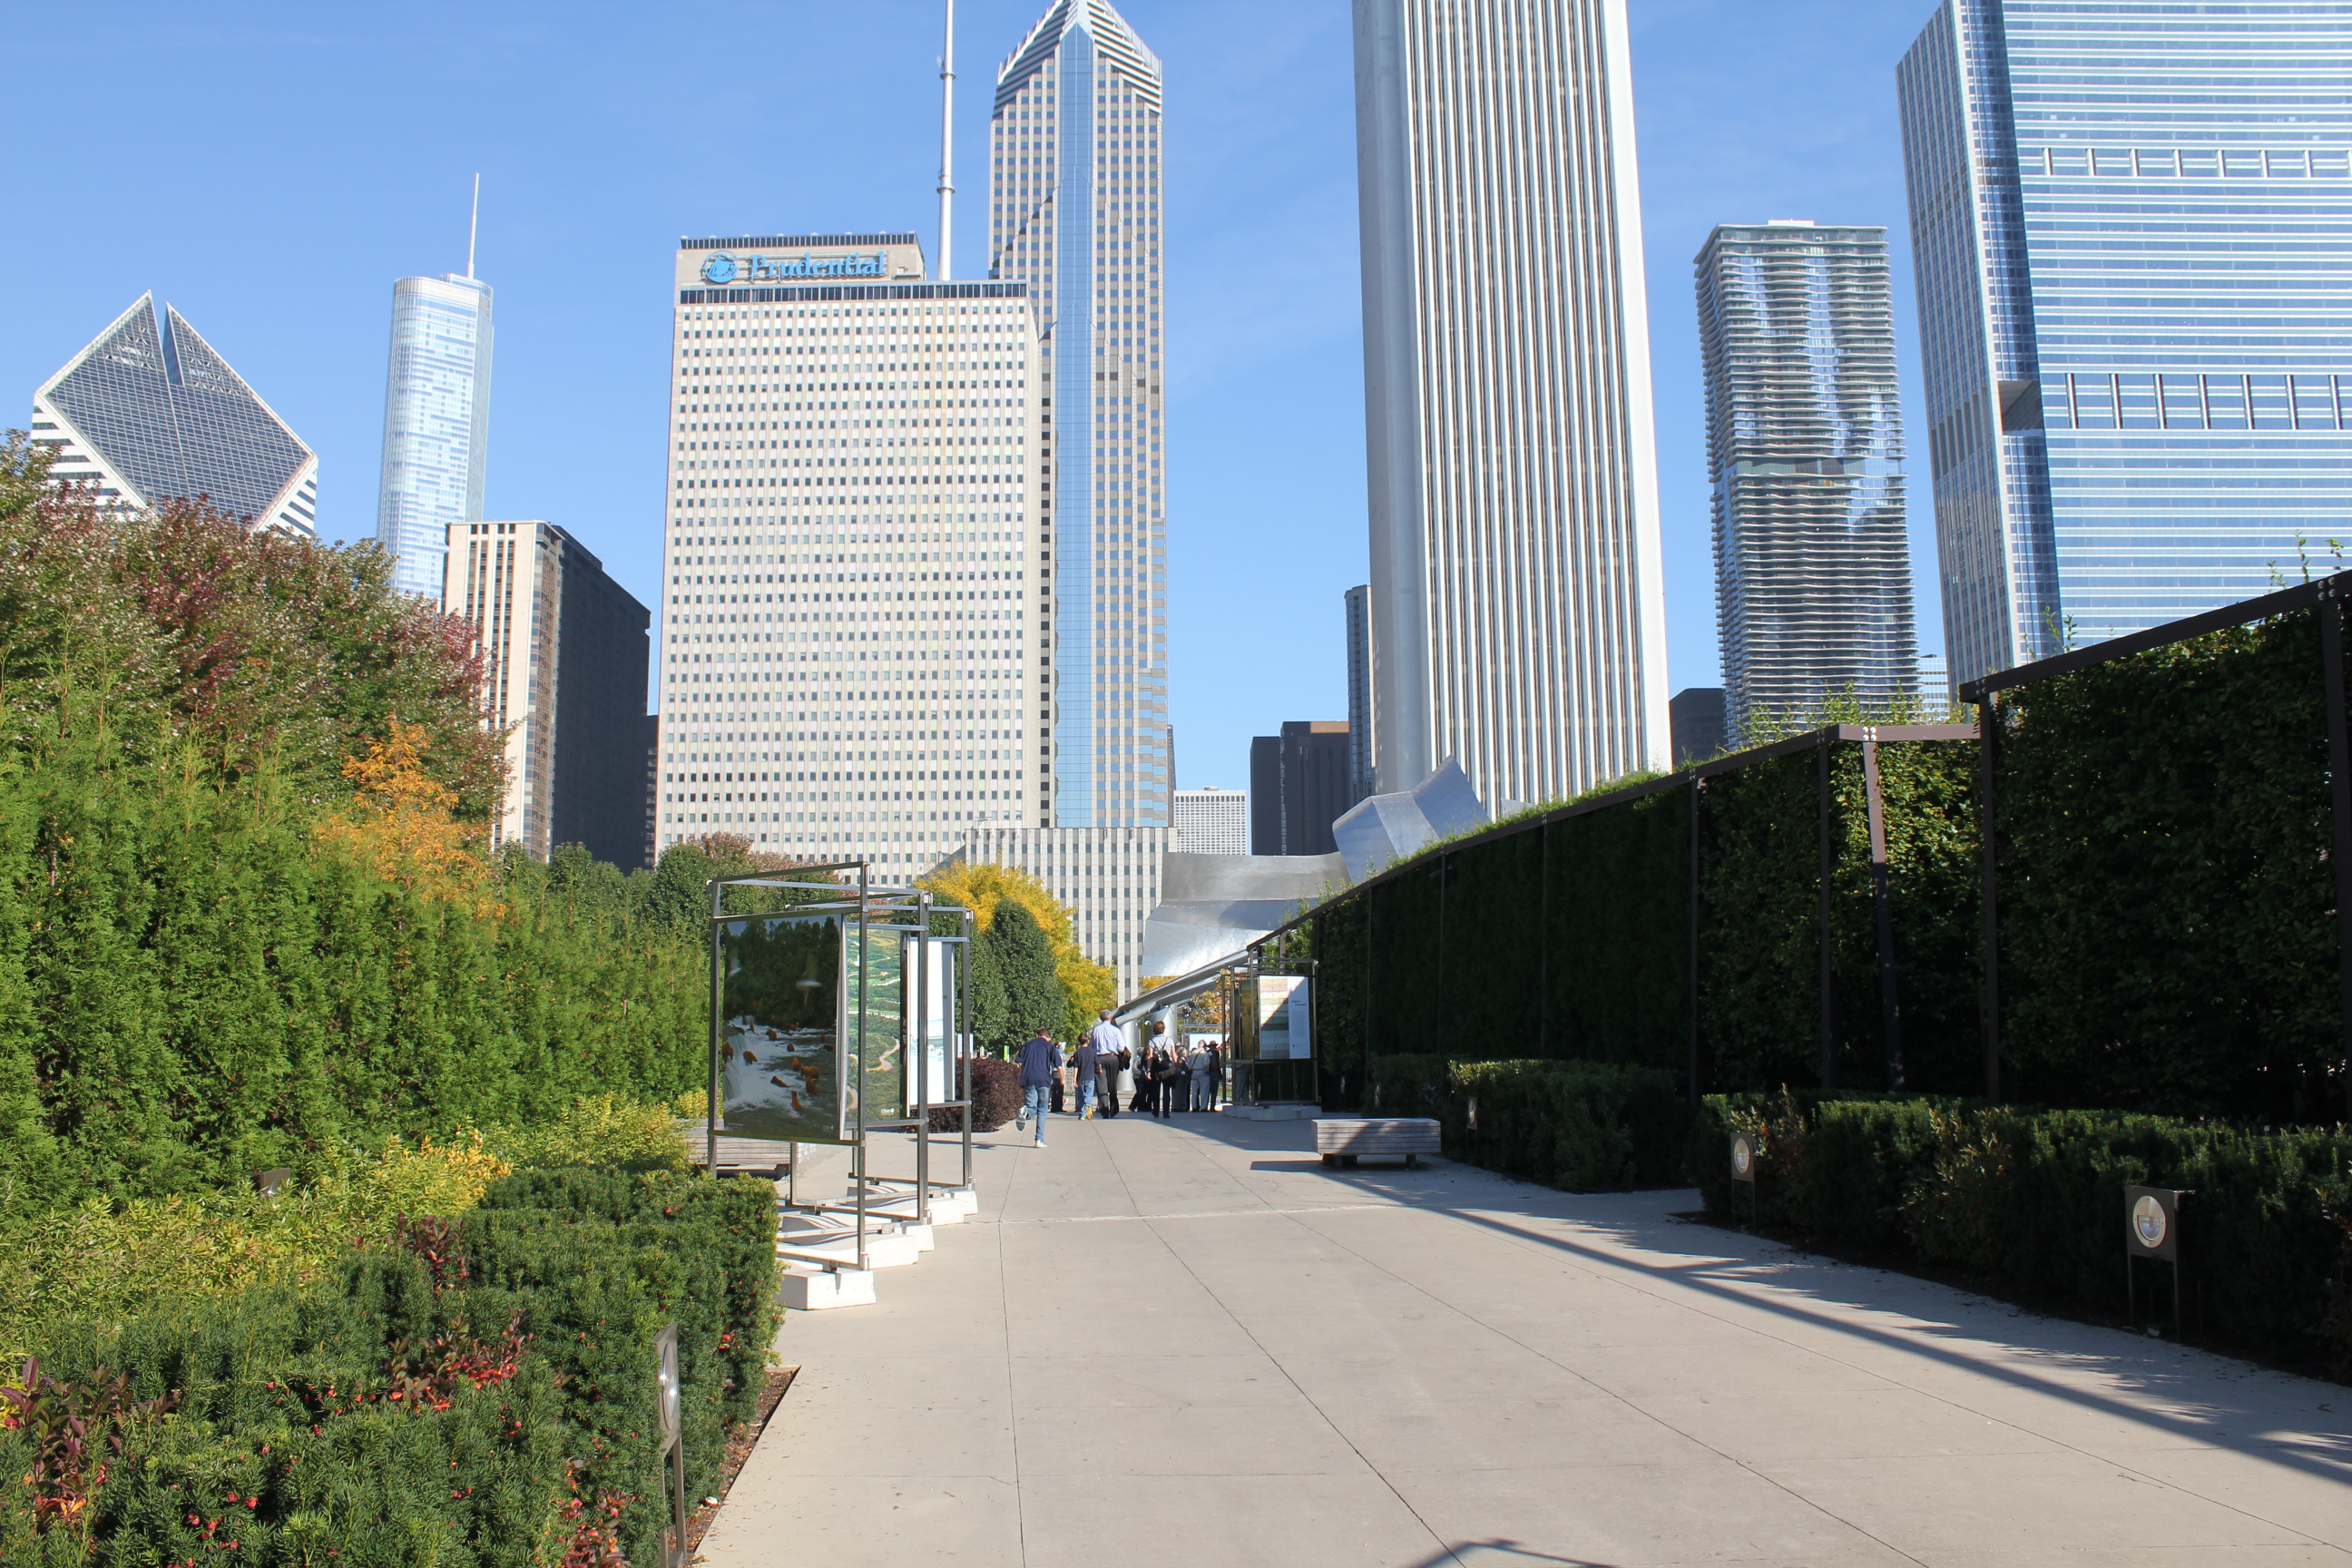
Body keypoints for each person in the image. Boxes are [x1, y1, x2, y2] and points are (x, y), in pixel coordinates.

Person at [1014, 1025, 1058, 1147]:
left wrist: (1024, 1073)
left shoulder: (1028, 1045)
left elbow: (1019, 1062)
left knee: (1031, 1106)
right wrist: (1062, 1079)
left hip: (1028, 1079)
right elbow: (1058, 1065)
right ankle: (1039, 1139)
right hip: (1044, 1080)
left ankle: (1025, 1113)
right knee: (1042, 1109)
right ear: (1049, 1037)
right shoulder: (1049, 1046)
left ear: (1037, 1036)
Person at [1082, 1009, 1122, 1120]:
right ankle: (1113, 1109)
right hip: (1113, 1058)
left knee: (1101, 1084)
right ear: (1111, 1018)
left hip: (1099, 1058)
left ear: (1100, 1018)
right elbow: (1121, 1047)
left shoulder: (1096, 1030)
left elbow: (1091, 1047)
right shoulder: (1116, 1030)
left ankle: (1104, 1109)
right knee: (1113, 1084)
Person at [1186, 1038, 1213, 1113]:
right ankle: (1203, 1107)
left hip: (1194, 1072)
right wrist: (1207, 1071)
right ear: (1204, 1045)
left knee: (1194, 1090)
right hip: (1202, 1072)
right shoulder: (1205, 1054)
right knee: (1204, 1090)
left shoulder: (1193, 1053)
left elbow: (1189, 1063)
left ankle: (1194, 1106)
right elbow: (1206, 1064)